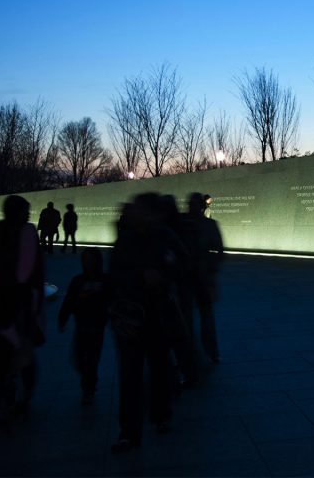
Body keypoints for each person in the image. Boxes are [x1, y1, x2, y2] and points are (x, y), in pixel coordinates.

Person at [108, 193, 185, 453]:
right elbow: (114, 273)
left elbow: (182, 263)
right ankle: (129, 431)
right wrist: (139, 277)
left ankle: (160, 416)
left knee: (158, 368)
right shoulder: (126, 238)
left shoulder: (163, 236)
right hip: (131, 316)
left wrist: (162, 275)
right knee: (130, 374)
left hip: (157, 313)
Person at [0, 195, 46, 418]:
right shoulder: (3, 233)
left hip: (15, 301)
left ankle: (17, 394)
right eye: (25, 210)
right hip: (8, 301)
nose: (29, 214)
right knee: (9, 351)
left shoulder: (17, 232)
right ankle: (9, 394)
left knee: (20, 350)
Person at [58, 248, 110, 404]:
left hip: (95, 326)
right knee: (82, 358)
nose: (87, 263)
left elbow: (111, 300)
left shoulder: (103, 280)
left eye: (89, 260)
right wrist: (63, 318)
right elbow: (68, 301)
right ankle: (89, 383)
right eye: (85, 260)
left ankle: (88, 386)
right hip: (83, 325)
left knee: (91, 358)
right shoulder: (78, 281)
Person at [181, 192, 224, 366]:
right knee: (193, 318)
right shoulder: (184, 225)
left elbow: (219, 250)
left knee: (203, 317)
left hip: (201, 278)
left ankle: (209, 352)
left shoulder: (207, 225)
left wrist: (210, 268)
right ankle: (201, 353)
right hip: (190, 278)